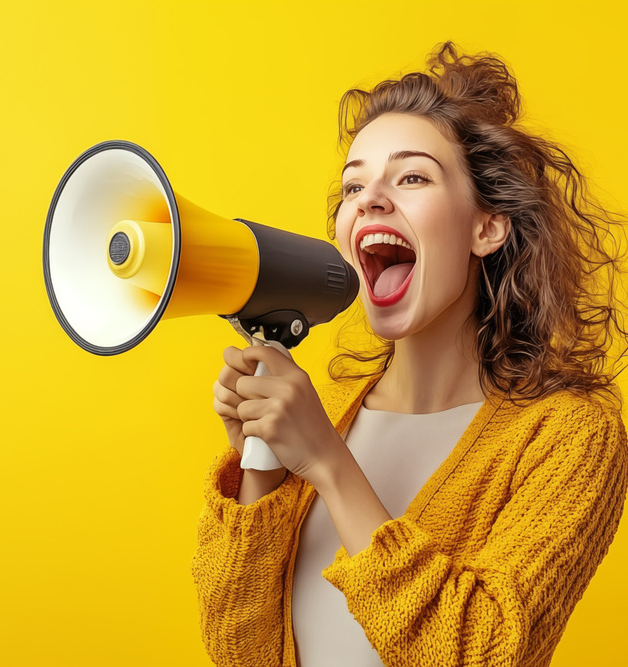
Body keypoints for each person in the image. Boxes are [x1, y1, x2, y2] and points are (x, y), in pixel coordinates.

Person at [191, 42, 628, 667]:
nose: (369, 199)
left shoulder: (569, 438)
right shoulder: (329, 410)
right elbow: (239, 654)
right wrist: (260, 466)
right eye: (353, 186)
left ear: (487, 227)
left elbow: (478, 652)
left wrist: (327, 461)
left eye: (413, 176)